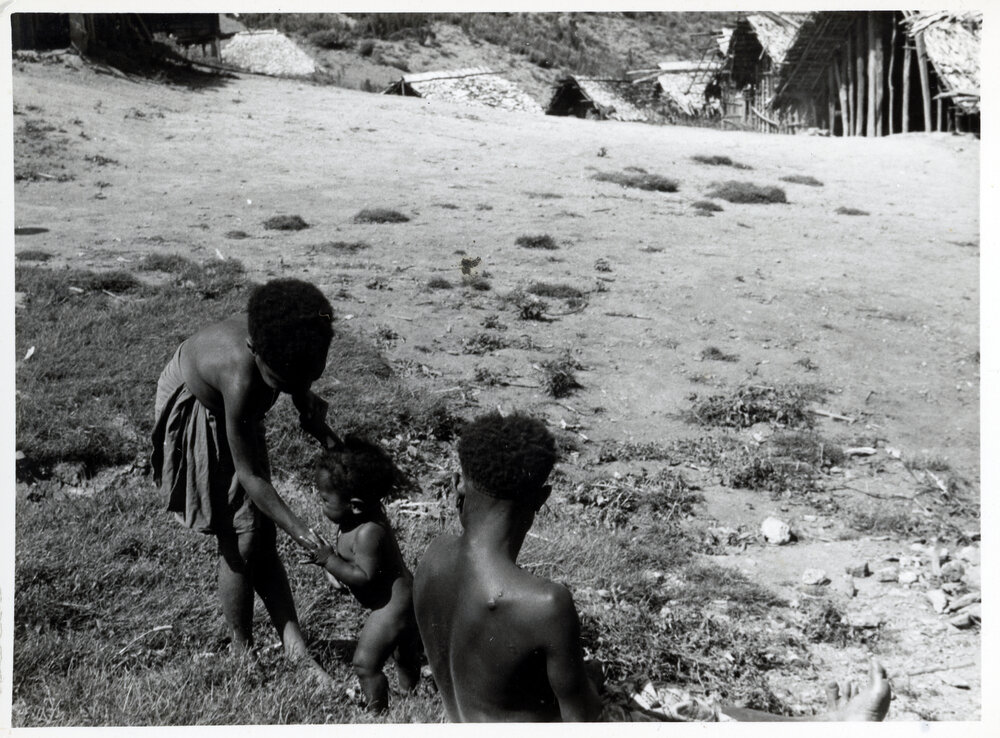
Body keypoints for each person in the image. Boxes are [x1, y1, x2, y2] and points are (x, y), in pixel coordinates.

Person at [413, 411, 892, 722]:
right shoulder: (541, 602)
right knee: (675, 710)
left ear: (457, 483)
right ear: (542, 499)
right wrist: (590, 686)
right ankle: (824, 729)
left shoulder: (432, 558)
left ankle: (817, 727)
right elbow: (583, 722)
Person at [151, 277, 341, 680]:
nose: (296, 389)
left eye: (306, 378)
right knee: (241, 535)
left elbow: (294, 377)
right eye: (284, 384)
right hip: (201, 408)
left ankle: (295, 650)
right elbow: (250, 475)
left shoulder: (287, 341)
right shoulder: (240, 377)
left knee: (259, 533)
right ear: (256, 353)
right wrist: (309, 537)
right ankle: (243, 651)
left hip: (241, 405)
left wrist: (317, 421)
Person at [306, 437, 422, 712]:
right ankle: (412, 695)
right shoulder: (356, 517)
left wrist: (329, 561)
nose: (320, 502)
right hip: (401, 599)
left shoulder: (369, 532)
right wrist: (334, 570)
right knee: (403, 653)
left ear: (355, 504)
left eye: (324, 498)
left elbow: (364, 576)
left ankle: (377, 712)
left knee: (365, 664)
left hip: (392, 606)